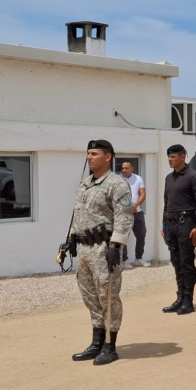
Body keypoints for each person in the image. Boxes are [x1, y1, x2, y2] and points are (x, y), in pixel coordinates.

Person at [65, 140, 133, 365]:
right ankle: (96, 343)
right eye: (88, 153)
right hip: (85, 249)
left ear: (108, 157)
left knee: (108, 296)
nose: (89, 157)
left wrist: (117, 246)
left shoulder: (116, 184)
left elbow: (124, 217)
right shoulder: (86, 184)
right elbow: (78, 214)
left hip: (105, 249)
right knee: (91, 297)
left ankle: (110, 347)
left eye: (94, 153)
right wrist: (71, 239)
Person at [161, 145, 196, 315]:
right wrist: (164, 225)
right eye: (169, 157)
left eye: (173, 156)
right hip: (171, 224)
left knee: (186, 261)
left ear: (183, 157)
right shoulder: (169, 178)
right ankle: (179, 298)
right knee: (176, 261)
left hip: (186, 222)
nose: (170, 160)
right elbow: (166, 204)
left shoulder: (193, 177)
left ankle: (188, 300)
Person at [119, 161, 150, 268]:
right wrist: (128, 208)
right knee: (124, 237)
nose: (124, 170)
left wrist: (135, 205)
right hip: (123, 213)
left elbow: (143, 194)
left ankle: (138, 258)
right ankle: (124, 260)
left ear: (132, 168)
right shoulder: (117, 179)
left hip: (138, 213)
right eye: (122, 168)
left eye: (126, 168)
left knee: (141, 235)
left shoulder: (138, 179)